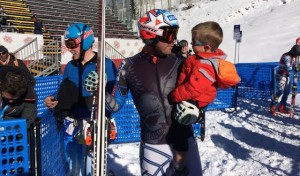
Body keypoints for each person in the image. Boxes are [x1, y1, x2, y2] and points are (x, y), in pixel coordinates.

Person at [104, 9, 202, 175]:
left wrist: (197, 108)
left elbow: (199, 94)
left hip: (184, 141)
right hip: (153, 146)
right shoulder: (128, 67)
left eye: (175, 34)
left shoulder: (181, 62)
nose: (174, 41)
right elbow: (115, 106)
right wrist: (97, 91)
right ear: (150, 35)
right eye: (170, 34)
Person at [169, 21, 226, 173]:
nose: (191, 45)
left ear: (206, 47)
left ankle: (180, 163)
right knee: (180, 130)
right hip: (191, 98)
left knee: (180, 131)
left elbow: (193, 88)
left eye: (194, 42)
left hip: (193, 101)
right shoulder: (201, 59)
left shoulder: (206, 64)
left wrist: (174, 96)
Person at [44, 23, 96, 176]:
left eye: (71, 43)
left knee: (91, 169)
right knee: (73, 169)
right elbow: (64, 90)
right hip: (71, 125)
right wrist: (53, 98)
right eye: (67, 44)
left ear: (85, 41)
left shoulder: (104, 65)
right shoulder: (70, 66)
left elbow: (112, 98)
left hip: (92, 125)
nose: (69, 48)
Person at [270, 37, 300, 115]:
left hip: (287, 76)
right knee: (280, 91)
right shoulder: (287, 56)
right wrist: (296, 67)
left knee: (287, 92)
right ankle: (273, 105)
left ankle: (282, 106)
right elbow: (289, 67)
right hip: (281, 75)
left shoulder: (292, 57)